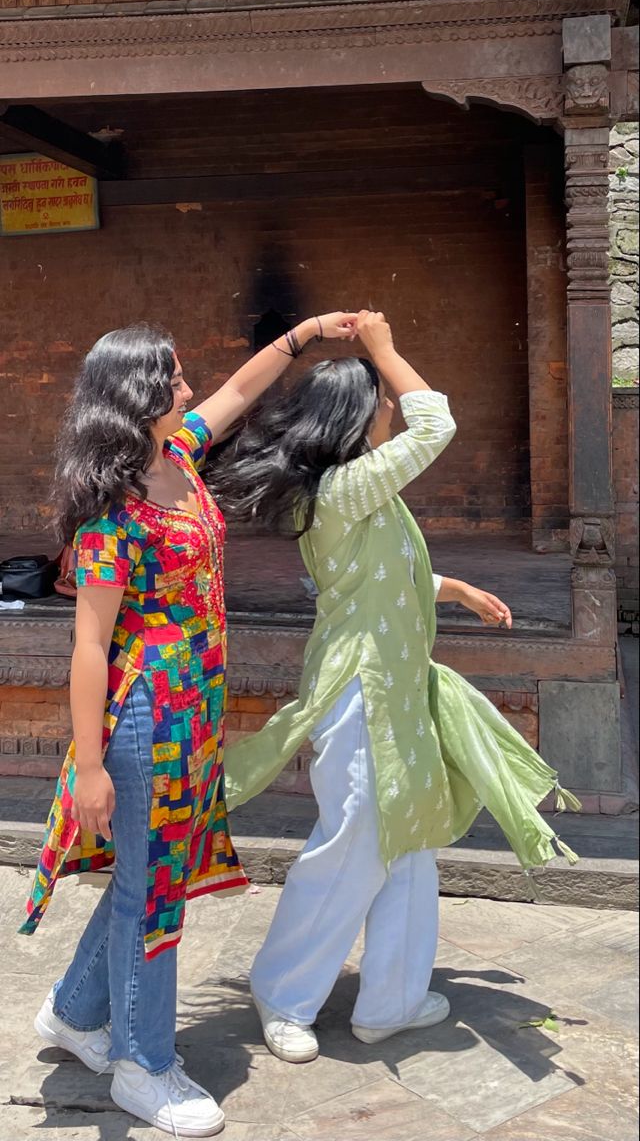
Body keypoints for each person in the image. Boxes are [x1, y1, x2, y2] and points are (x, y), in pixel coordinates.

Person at [19, 312, 358, 1137]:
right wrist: (91, 765)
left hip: (190, 718)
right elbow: (90, 646)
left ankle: (73, 1014)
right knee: (154, 894)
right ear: (136, 395)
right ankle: (144, 1064)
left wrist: (304, 335)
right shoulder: (114, 516)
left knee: (144, 880)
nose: (186, 387)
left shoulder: (176, 456)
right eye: (170, 378)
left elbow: (239, 394)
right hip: (141, 724)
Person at [214, 310, 580, 1065]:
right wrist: (382, 347)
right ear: (355, 416)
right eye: (381, 397)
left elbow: (387, 578)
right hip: (357, 694)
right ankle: (283, 993)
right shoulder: (344, 488)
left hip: (397, 691)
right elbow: (436, 422)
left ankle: (393, 1001)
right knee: (353, 844)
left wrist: (458, 589)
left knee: (407, 842)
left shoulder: (370, 498)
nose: (393, 404)